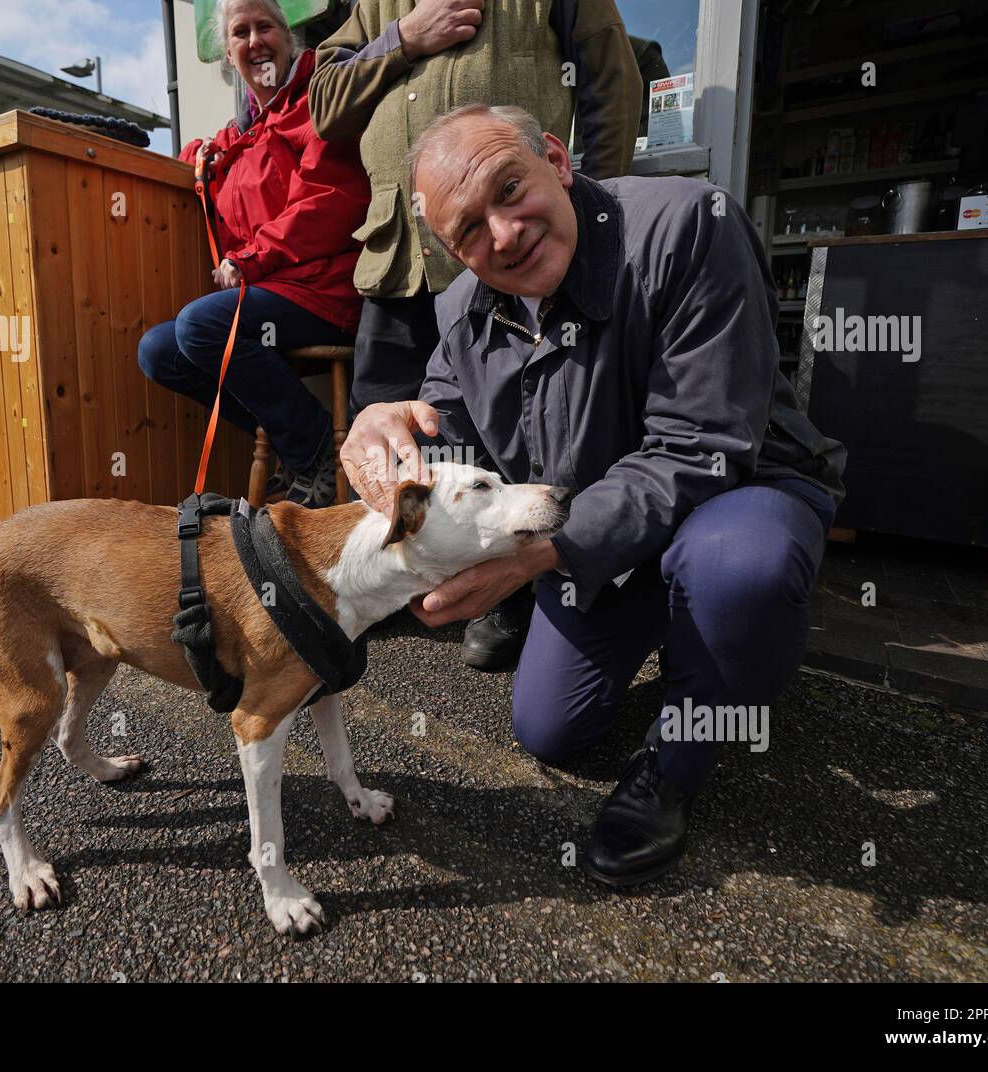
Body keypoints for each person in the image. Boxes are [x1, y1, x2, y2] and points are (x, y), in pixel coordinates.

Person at [340, 104, 847, 888]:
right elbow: (452, 440)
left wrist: (538, 558)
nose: (503, 234)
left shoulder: (688, 225)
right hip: (594, 534)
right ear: (451, 253)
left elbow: (701, 447)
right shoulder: (459, 311)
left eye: (511, 189)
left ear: (556, 158)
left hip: (734, 490)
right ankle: (682, 629)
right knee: (550, 729)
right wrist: (381, 423)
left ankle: (680, 755)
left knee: (740, 573)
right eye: (470, 231)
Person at [310, 0, 640, 657]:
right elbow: (325, 104)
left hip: (505, 250)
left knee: (510, 426)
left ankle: (511, 589)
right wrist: (404, 36)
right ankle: (401, 582)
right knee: (406, 437)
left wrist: (596, 218)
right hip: (399, 252)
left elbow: (611, 77)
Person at [138, 0, 370, 507]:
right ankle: (295, 449)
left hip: (326, 291)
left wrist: (248, 259)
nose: (255, 40)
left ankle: (311, 448)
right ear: (229, 55)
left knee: (201, 325)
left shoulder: (318, 102)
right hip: (274, 296)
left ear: (287, 38)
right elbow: (207, 161)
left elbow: (330, 200)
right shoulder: (237, 135)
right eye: (240, 32)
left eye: (265, 26)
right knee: (158, 350)